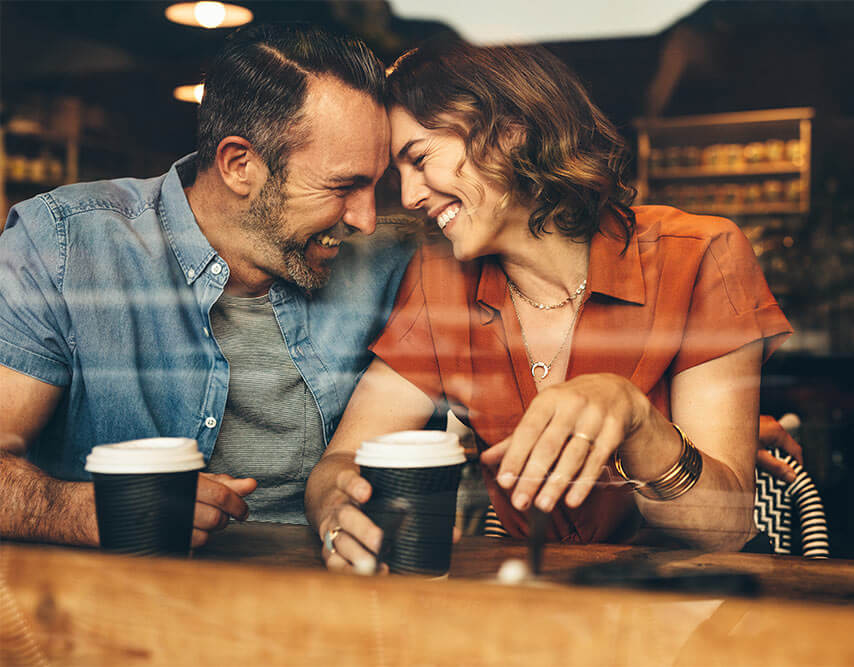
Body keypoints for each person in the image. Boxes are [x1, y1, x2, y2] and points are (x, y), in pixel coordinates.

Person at [306, 41, 793, 572]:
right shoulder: (439, 279)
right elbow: (343, 458)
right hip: (530, 609)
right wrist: (335, 506)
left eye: (420, 160)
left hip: (679, 614)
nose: (410, 195)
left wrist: (636, 420)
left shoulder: (699, 256)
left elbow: (724, 530)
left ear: (509, 130)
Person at [0, 24, 413, 547]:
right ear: (240, 165)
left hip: (328, 605)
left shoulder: (393, 264)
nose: (368, 220)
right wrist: (84, 511)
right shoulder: (63, 247)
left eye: (379, 185)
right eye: (342, 186)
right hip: (114, 605)